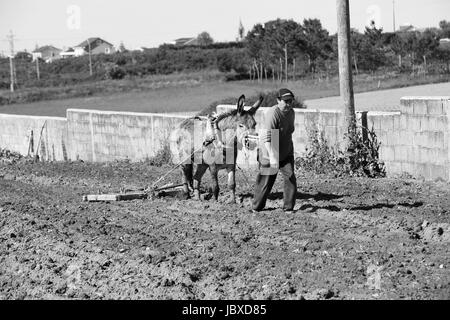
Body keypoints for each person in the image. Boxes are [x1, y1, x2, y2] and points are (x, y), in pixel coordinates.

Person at [252, 88, 297, 212]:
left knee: (290, 177)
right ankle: (257, 207)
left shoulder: (291, 112)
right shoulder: (273, 113)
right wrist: (272, 157)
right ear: (278, 100)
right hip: (270, 150)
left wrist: (290, 150)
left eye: (290, 101)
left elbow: (289, 132)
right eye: (286, 101)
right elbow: (268, 137)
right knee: (266, 179)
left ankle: (288, 208)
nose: (288, 104)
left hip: (285, 150)